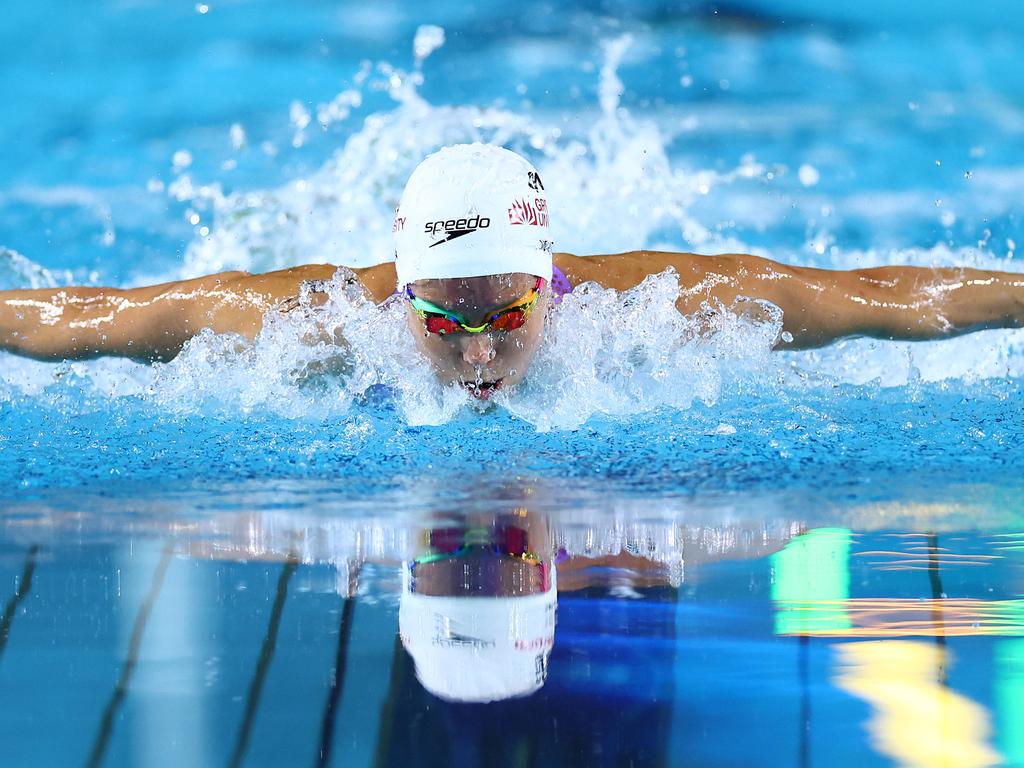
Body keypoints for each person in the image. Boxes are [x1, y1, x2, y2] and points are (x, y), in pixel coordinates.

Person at [2, 144, 1022, 399]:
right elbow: (84, 317)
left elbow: (880, 301)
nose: (481, 352)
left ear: (551, 289)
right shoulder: (310, 322)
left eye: (507, 315)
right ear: (401, 296)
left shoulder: (653, 310)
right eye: (443, 321)